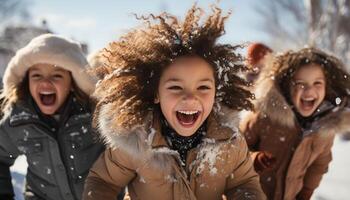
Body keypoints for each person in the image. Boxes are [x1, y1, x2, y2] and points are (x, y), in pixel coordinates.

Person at [82, 4, 266, 200]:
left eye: (203, 87)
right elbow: (103, 181)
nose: (190, 97)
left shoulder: (230, 140)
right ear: (155, 93)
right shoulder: (137, 140)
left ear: (216, 93)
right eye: (176, 87)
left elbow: (243, 183)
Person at [0, 34, 104, 200]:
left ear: (72, 82)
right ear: (27, 82)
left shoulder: (95, 115)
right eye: (36, 75)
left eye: (57, 75)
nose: (46, 83)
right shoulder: (19, 120)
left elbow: (125, 159)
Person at [240, 47, 350, 200]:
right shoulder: (264, 117)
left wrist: (307, 190)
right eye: (300, 83)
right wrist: (254, 159)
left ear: (327, 88)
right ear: (287, 86)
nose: (309, 91)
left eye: (317, 83)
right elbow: (235, 150)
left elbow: (319, 165)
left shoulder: (325, 129)